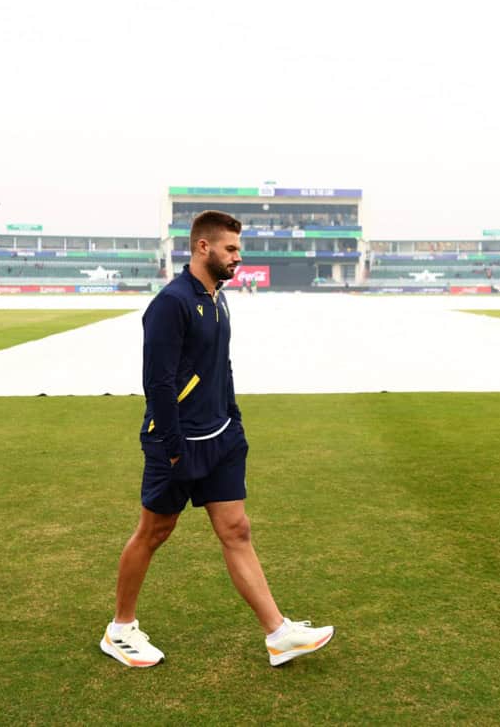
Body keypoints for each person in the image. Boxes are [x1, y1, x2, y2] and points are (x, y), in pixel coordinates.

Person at [101, 210, 333, 669]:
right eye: (230, 249)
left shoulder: (217, 297)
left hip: (221, 437)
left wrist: (235, 419)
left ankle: (278, 633)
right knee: (154, 532)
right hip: (177, 441)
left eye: (238, 250)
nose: (237, 258)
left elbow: (220, 365)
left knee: (236, 530)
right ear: (203, 248)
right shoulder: (171, 303)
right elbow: (159, 383)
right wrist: (172, 447)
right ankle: (120, 629)